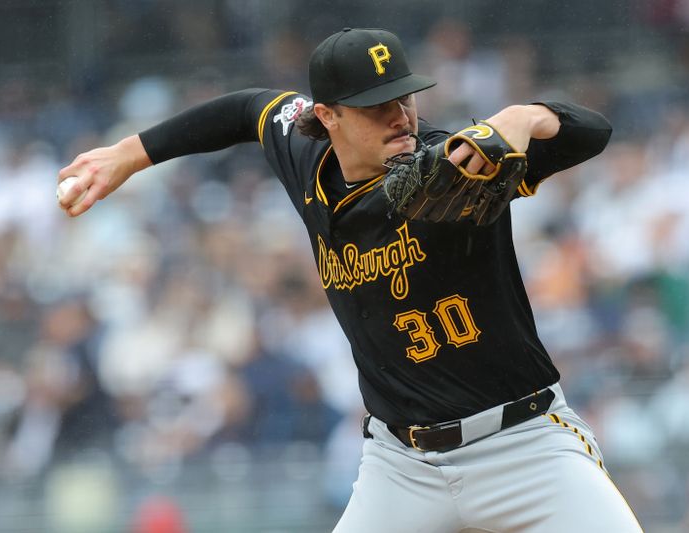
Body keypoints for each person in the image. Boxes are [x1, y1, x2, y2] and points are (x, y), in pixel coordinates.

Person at [59, 27, 642, 533]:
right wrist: (129, 155)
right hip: (402, 466)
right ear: (327, 116)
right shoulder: (303, 155)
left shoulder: (457, 167)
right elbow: (244, 110)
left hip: (522, 446)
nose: (400, 116)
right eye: (374, 104)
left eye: (404, 97)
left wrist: (523, 117)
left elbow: (591, 132)